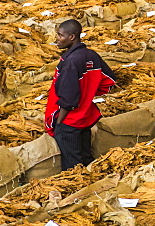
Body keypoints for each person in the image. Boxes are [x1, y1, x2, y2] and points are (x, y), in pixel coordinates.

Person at [44, 19, 116, 170]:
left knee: (73, 166)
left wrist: (59, 124)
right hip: (85, 116)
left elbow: (69, 98)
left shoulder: (71, 61)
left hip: (69, 121)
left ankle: (78, 191)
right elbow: (109, 80)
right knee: (86, 157)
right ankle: (91, 186)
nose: (56, 38)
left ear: (71, 37)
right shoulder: (91, 55)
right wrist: (88, 93)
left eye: (60, 35)